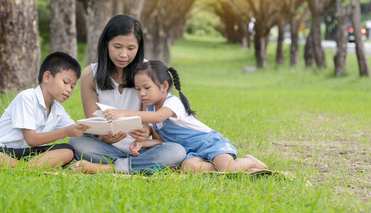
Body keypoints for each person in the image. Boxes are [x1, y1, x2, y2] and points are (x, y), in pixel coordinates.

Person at [103, 60, 269, 173]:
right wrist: (142, 143)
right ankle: (217, 166)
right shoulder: (152, 108)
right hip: (190, 151)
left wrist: (122, 112)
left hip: (208, 143)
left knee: (227, 168)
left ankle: (250, 161)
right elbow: (163, 141)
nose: (142, 93)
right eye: (138, 89)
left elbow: (157, 117)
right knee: (188, 167)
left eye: (146, 88)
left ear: (164, 86)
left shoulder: (172, 103)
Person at [69, 15, 186, 174]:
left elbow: (150, 120)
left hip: (140, 148)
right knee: (77, 141)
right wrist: (105, 138)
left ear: (138, 47)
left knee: (177, 150)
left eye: (131, 48)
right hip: (106, 148)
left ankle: (111, 168)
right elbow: (92, 124)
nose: (124, 54)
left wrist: (146, 131)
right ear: (106, 44)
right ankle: (138, 166)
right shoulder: (90, 74)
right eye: (117, 47)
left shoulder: (147, 73)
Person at [0, 52, 90, 169]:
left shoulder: (58, 110)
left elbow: (75, 129)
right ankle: (28, 168)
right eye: (65, 82)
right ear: (47, 77)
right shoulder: (27, 98)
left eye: (72, 86)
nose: (69, 89)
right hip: (3, 150)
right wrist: (66, 131)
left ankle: (20, 168)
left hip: (30, 153)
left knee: (68, 151)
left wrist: (100, 129)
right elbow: (31, 139)